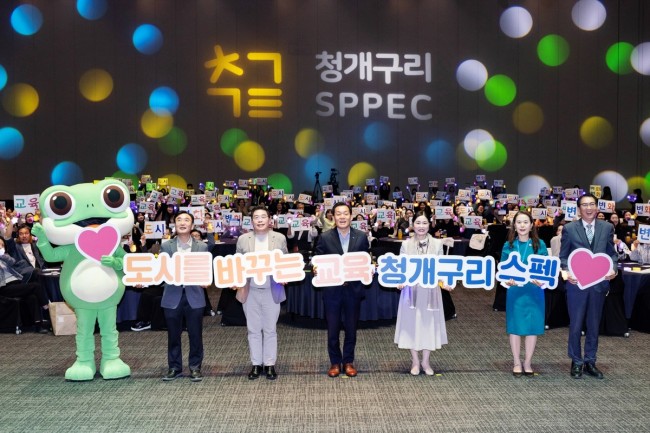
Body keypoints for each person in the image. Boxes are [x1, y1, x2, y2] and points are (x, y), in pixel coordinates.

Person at [559, 194, 617, 380]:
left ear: (597, 207)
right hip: (576, 284)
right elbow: (563, 256)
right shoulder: (569, 229)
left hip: (598, 284)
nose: (589, 208)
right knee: (576, 325)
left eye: (592, 204)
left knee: (593, 324)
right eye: (585, 205)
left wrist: (613, 269)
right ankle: (576, 361)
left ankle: (590, 361)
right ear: (579, 209)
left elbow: (611, 254)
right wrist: (567, 271)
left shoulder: (607, 227)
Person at [313, 202, 370, 378]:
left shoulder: (361, 236)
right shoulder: (325, 237)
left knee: (351, 328)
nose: (342, 217)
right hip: (332, 290)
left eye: (345, 213)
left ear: (351, 216)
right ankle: (335, 362)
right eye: (338, 214)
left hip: (353, 290)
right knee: (333, 329)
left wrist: (368, 269)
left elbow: (366, 259)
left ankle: (348, 361)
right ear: (333, 216)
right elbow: (317, 259)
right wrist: (316, 268)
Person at [235, 206, 288, 380]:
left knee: (270, 329)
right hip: (249, 289)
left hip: (272, 289)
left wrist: (285, 275)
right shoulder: (243, 239)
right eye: (256, 217)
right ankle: (256, 364)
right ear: (251, 221)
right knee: (253, 329)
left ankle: (270, 364)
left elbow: (285, 262)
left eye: (263, 216)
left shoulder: (279, 238)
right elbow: (236, 264)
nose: (259, 220)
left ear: (269, 220)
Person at [394, 211, 449, 376]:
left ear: (429, 224)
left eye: (424, 223)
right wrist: (400, 281)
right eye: (418, 223)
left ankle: (425, 361)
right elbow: (401, 268)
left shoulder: (438, 244)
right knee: (411, 324)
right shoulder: (406, 245)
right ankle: (415, 361)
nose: (421, 226)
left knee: (428, 325)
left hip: (431, 291)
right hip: (411, 291)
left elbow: (442, 268)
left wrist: (445, 283)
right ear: (413, 224)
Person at [160, 211, 208, 382]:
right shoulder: (166, 246)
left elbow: (205, 269)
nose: (182, 223)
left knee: (195, 334)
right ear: (174, 224)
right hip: (172, 295)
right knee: (173, 335)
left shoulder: (201, 246)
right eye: (179, 220)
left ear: (192, 225)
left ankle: (195, 367)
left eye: (186, 220)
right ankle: (174, 367)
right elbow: (161, 269)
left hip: (194, 295)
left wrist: (206, 279)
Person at [500, 211, 547, 377]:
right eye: (519, 222)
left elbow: (545, 267)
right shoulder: (509, 245)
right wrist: (507, 280)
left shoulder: (539, 244)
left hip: (534, 291)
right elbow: (503, 268)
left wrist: (542, 280)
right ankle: (516, 362)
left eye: (525, 222)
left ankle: (527, 362)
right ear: (514, 225)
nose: (522, 225)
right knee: (515, 326)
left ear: (532, 225)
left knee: (532, 327)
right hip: (515, 291)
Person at [0, 237, 50, 333]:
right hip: (4, 287)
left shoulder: (4, 256)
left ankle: (38, 325)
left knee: (32, 297)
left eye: (2, 245)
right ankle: (48, 311)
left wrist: (2, 255)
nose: (1, 247)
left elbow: (12, 261)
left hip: (16, 284)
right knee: (36, 286)